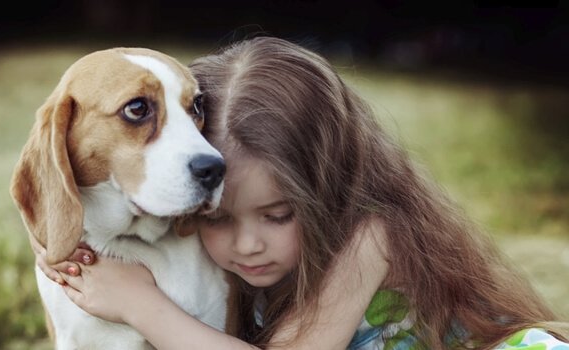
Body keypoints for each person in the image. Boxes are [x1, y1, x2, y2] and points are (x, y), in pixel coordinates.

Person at [34, 37, 569, 349]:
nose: (248, 245)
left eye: (280, 214)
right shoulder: (201, 229)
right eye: (218, 219)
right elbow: (71, 210)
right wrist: (55, 241)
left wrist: (139, 304)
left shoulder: (370, 239)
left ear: (328, 189)